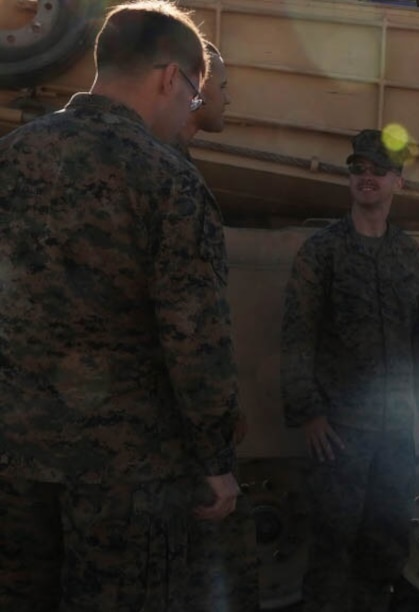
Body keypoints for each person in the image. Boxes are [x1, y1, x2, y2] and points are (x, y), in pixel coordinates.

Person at [0, 2, 242, 610]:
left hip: (14, 458)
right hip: (127, 477)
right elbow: (195, 339)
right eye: (194, 95)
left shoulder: (11, 156)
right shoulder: (168, 179)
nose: (189, 108)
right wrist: (215, 459)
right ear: (171, 77)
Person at [281, 128, 419, 611]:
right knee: (332, 545)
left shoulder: (408, 254)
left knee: (386, 543)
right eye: (358, 169)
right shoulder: (323, 251)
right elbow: (296, 336)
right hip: (339, 430)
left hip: (395, 429)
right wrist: (309, 412)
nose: (366, 177)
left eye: (379, 170)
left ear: (399, 181)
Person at [174, 43, 259, 612]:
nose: (227, 97)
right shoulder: (169, 178)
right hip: (170, 446)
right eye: (220, 85)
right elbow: (190, 328)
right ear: (191, 87)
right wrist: (214, 452)